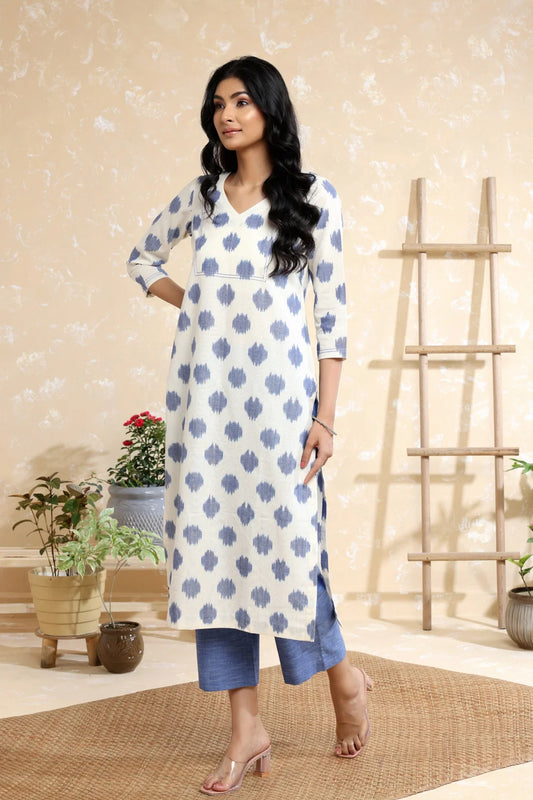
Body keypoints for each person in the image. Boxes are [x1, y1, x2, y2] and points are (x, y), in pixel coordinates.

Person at [127, 55, 372, 795]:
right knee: (214, 563)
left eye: (240, 101)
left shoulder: (312, 197)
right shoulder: (202, 197)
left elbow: (332, 317)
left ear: (268, 108)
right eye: (217, 104)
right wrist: (195, 305)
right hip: (204, 410)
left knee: (292, 554)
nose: (226, 115)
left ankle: (342, 675)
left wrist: (325, 417)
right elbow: (142, 259)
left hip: (281, 411)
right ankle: (246, 729)